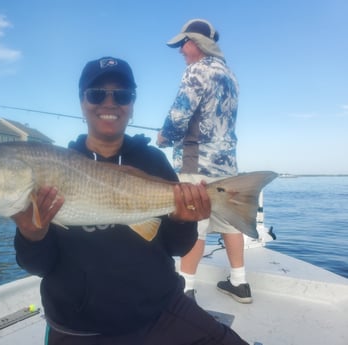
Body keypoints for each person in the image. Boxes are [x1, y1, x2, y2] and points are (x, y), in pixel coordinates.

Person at [13, 56, 248, 344]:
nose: (109, 103)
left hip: (160, 310)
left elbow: (175, 247)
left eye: (122, 95)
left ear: (132, 104)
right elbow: (38, 266)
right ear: (82, 103)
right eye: (97, 94)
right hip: (80, 327)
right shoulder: (55, 167)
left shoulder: (152, 161)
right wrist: (31, 236)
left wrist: (183, 221)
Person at [157, 19, 253, 304]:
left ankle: (186, 290)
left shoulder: (196, 71)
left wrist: (164, 136)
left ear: (196, 44)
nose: (180, 51)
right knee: (230, 223)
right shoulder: (230, 76)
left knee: (193, 224)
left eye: (183, 44)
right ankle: (240, 283)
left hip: (196, 164)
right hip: (227, 166)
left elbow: (179, 116)